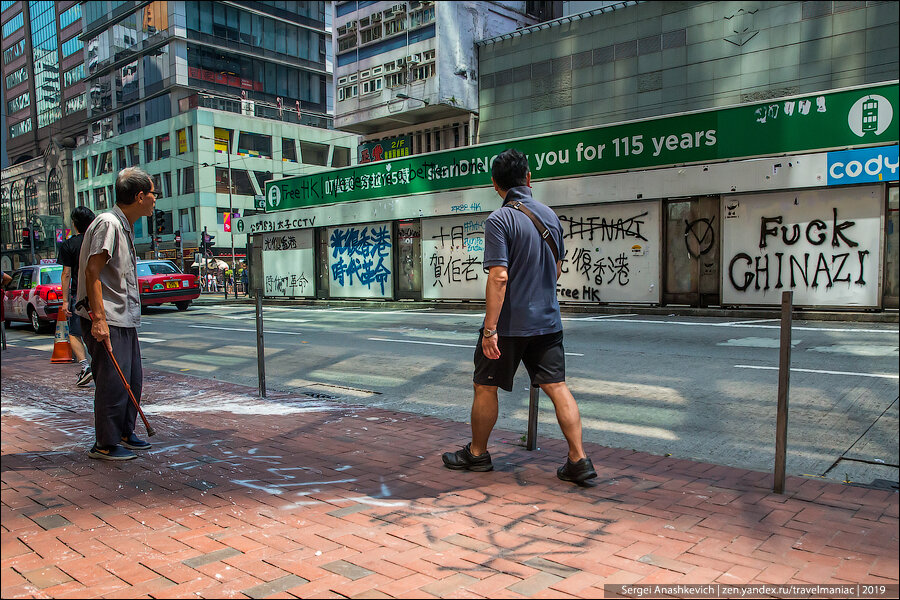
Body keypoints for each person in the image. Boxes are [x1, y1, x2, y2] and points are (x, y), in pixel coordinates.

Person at [441, 148, 597, 484]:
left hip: (510, 325)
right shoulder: (551, 217)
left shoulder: (499, 220)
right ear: (528, 178)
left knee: (485, 386)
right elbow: (555, 269)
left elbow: (498, 277)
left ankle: (478, 454)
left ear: (495, 185)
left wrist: (490, 330)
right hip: (548, 321)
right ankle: (578, 459)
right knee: (557, 386)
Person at [75, 167, 155, 461]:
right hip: (107, 317)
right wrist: (99, 320)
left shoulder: (123, 225)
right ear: (139, 196)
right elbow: (92, 271)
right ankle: (105, 444)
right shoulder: (108, 223)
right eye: (152, 193)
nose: (155, 199)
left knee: (131, 380)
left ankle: (124, 432)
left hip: (124, 317)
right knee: (112, 383)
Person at [57, 206, 97, 387]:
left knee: (74, 333)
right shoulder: (97, 240)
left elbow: (66, 273)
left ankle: (85, 367)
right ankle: (102, 365)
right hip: (100, 292)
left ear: (74, 224)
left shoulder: (68, 245)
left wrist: (65, 301)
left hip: (77, 295)